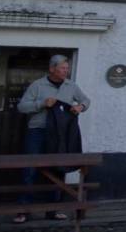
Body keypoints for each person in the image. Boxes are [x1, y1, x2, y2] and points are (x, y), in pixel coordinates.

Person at [14, 54, 91, 224]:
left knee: (58, 168)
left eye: (67, 68)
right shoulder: (37, 85)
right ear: (52, 69)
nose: (66, 71)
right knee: (29, 169)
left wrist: (80, 106)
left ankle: (53, 209)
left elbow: (86, 100)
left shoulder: (71, 86)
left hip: (60, 133)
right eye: (62, 68)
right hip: (38, 131)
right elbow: (21, 107)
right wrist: (41, 103)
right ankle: (23, 210)